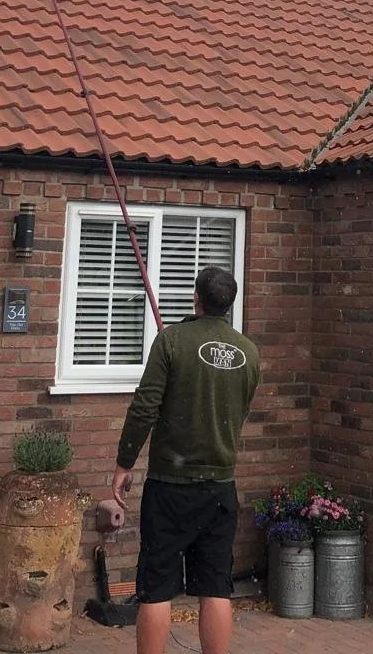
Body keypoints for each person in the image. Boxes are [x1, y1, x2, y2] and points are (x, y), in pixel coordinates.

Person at [112, 265, 261, 654]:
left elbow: (145, 407)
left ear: (196, 298)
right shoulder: (248, 352)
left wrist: (124, 464)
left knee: (157, 588)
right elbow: (239, 410)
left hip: (170, 487)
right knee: (216, 587)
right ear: (230, 304)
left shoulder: (171, 341)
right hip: (220, 488)